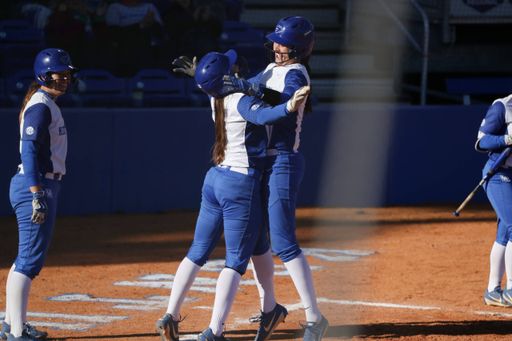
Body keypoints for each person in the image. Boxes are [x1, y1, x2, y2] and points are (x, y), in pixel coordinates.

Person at [155, 50, 311, 341]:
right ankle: (215, 330)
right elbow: (266, 113)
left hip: (214, 179)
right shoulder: (242, 100)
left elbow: (221, 83)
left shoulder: (213, 95)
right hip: (241, 184)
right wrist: (289, 105)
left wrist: (202, 73)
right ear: (225, 77)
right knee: (235, 262)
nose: (238, 67)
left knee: (202, 251)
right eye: (232, 66)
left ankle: (171, 314)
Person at [0, 48, 77, 341]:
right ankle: (17, 332)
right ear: (44, 75)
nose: (66, 77)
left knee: (26, 259)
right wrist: (36, 193)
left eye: (68, 73)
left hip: (42, 184)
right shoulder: (40, 105)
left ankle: (11, 324)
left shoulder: (46, 103)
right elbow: (28, 151)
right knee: (29, 262)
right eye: (61, 73)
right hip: (35, 185)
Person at [476, 95, 512, 307]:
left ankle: (492, 290)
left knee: (505, 234)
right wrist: (507, 140)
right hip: (499, 175)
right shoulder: (502, 107)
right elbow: (481, 141)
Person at [104, 0, 164, 76]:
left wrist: (152, 23)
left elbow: (161, 34)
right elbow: (113, 35)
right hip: (123, 51)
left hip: (148, 49)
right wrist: (141, 25)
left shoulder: (149, 7)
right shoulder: (115, 7)